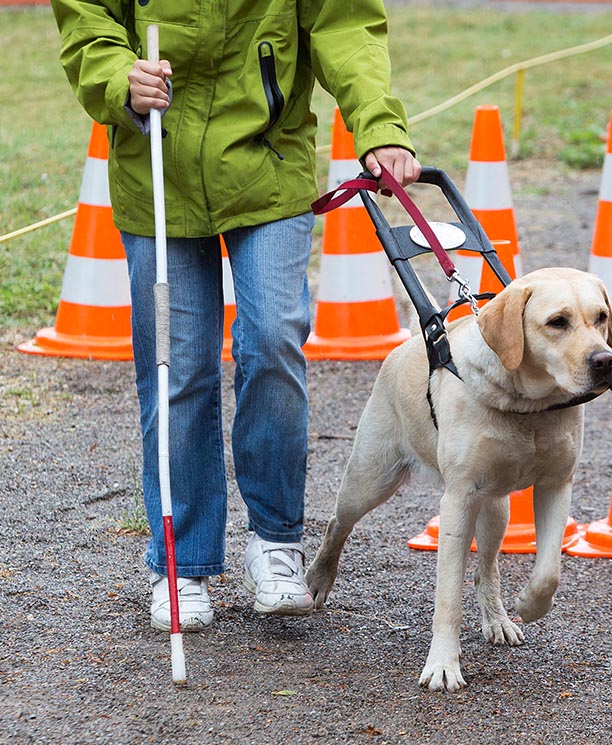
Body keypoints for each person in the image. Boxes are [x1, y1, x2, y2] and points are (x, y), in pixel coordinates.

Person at [51, 0, 421, 629]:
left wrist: (379, 125)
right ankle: (182, 565)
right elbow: (88, 23)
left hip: (269, 168)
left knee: (275, 337)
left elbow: (345, 25)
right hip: (156, 173)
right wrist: (121, 79)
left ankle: (276, 543)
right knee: (180, 367)